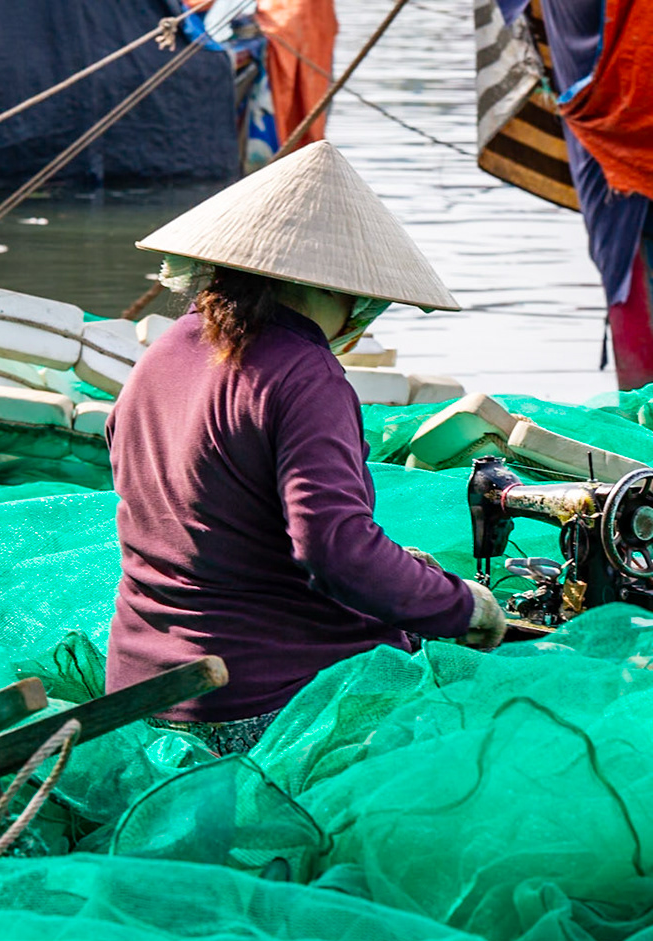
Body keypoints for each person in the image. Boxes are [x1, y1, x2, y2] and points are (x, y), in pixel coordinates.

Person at [106, 141, 506, 756]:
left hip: (143, 695)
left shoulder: (162, 354)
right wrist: (463, 607)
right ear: (342, 290)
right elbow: (333, 549)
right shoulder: (304, 374)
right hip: (265, 705)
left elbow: (216, 518)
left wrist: (404, 572)